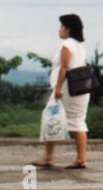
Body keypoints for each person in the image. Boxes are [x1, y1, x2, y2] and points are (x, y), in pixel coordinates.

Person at [38, 14, 90, 170]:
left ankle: (48, 157)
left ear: (68, 29)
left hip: (67, 90)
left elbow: (64, 67)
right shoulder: (80, 46)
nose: (59, 30)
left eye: (61, 26)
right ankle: (81, 159)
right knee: (78, 122)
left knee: (50, 118)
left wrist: (58, 88)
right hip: (80, 90)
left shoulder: (67, 44)